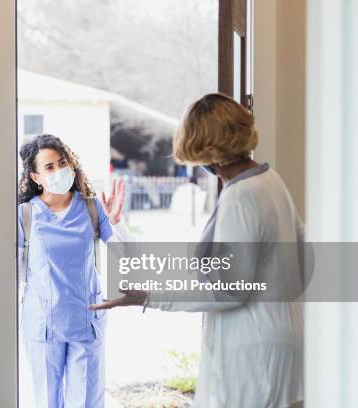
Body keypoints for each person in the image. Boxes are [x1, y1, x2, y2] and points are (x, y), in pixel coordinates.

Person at [92, 94, 305, 408]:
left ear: (207, 150)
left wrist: (151, 297)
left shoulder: (240, 197)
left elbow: (230, 288)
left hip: (253, 351)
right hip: (282, 343)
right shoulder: (270, 181)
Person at [18, 134, 132, 408]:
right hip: (42, 324)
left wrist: (117, 221)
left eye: (62, 162)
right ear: (36, 177)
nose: (59, 171)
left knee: (85, 402)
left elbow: (127, 253)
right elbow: (15, 272)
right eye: (49, 167)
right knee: (46, 401)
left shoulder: (91, 207)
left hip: (86, 319)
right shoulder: (25, 215)